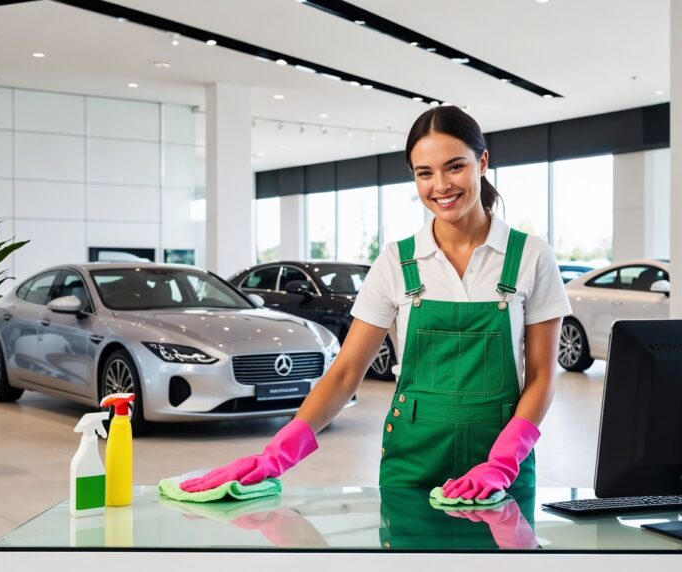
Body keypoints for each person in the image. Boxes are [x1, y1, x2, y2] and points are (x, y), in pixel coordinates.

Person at [182, 106, 571, 500]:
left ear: (482, 162)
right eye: (425, 173)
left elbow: (541, 377)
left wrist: (503, 462)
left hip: (503, 468)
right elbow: (346, 372)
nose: (441, 186)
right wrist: (276, 454)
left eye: (455, 167)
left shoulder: (531, 256)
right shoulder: (395, 263)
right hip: (412, 463)